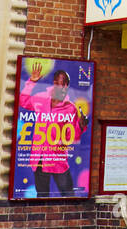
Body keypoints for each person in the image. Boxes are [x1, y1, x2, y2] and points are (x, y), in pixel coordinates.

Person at [18, 66, 88, 197]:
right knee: (41, 197)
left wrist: (81, 125)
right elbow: (23, 101)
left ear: (66, 86)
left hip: (58, 159)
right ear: (53, 83)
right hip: (39, 158)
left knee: (68, 196)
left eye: (63, 84)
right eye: (57, 83)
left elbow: (72, 136)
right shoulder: (41, 98)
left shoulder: (70, 108)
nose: (60, 87)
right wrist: (31, 82)